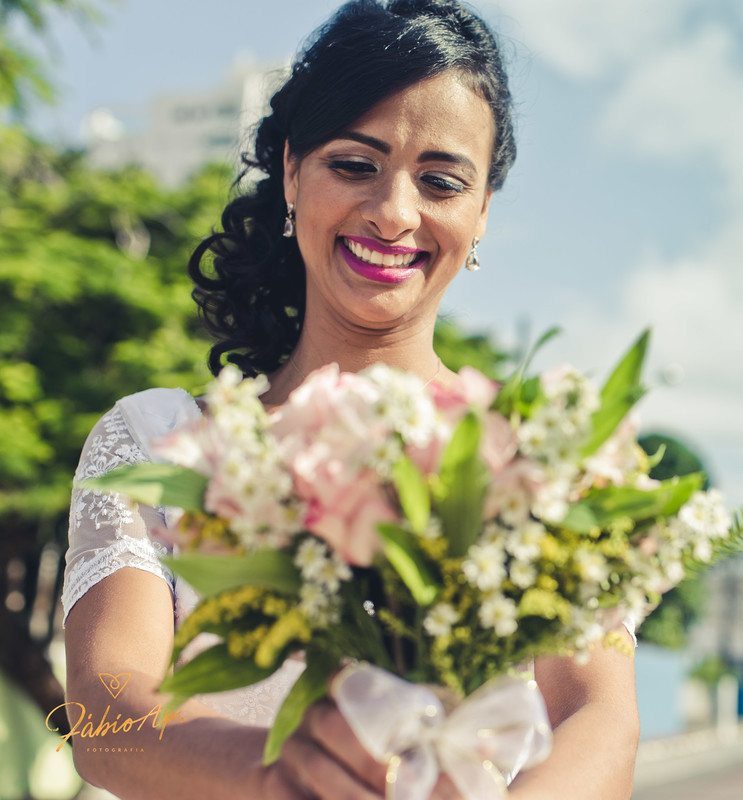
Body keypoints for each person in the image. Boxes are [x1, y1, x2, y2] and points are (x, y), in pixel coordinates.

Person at [61, 2, 640, 798]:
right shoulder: (157, 443)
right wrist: (277, 775)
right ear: (293, 171)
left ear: (481, 215)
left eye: (440, 181)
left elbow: (598, 715)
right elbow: (101, 710)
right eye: (355, 164)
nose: (395, 212)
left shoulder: (539, 457)